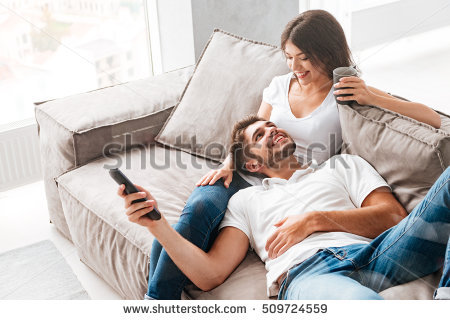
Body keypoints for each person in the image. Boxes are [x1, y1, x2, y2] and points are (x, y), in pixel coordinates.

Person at [145, 9, 442, 300]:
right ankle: (157, 302)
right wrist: (228, 166)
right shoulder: (278, 90)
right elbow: (252, 130)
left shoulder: (343, 126)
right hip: (261, 185)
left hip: (327, 203)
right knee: (195, 213)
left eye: (303, 57)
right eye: (289, 57)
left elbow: (431, 120)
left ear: (326, 52)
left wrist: (370, 96)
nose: (295, 66)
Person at [119, 116, 449, 300]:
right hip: (309, 273)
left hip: (381, 252)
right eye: (259, 135)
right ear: (252, 162)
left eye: (272, 126)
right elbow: (209, 274)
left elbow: (393, 218)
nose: (272, 131)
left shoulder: (342, 165)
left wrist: (315, 220)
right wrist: (155, 224)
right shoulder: (245, 201)